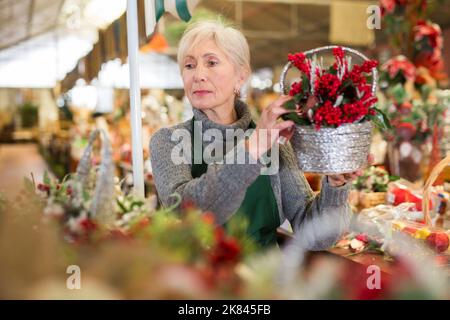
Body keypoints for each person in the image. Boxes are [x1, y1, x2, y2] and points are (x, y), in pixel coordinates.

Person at [150, 20, 364, 250]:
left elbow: (314, 235)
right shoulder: (168, 141)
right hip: (200, 281)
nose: (199, 75)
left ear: (240, 77)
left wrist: (335, 185)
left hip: (264, 280)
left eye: (211, 62)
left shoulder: (275, 144)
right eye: (189, 66)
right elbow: (187, 213)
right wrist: (253, 147)